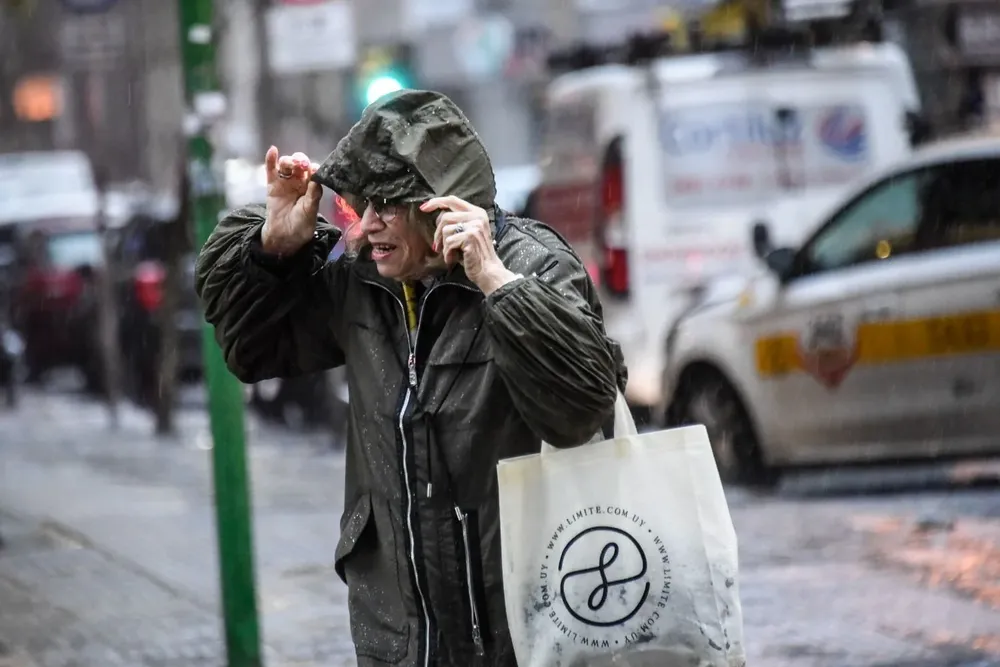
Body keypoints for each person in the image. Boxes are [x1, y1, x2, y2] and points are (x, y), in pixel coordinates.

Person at [196, 89, 627, 667]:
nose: (365, 227)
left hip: (533, 635)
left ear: (442, 205)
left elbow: (580, 410)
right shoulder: (363, 283)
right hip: (403, 645)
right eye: (360, 207)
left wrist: (497, 285)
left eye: (387, 207)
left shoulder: (534, 265)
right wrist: (275, 247)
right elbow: (252, 349)